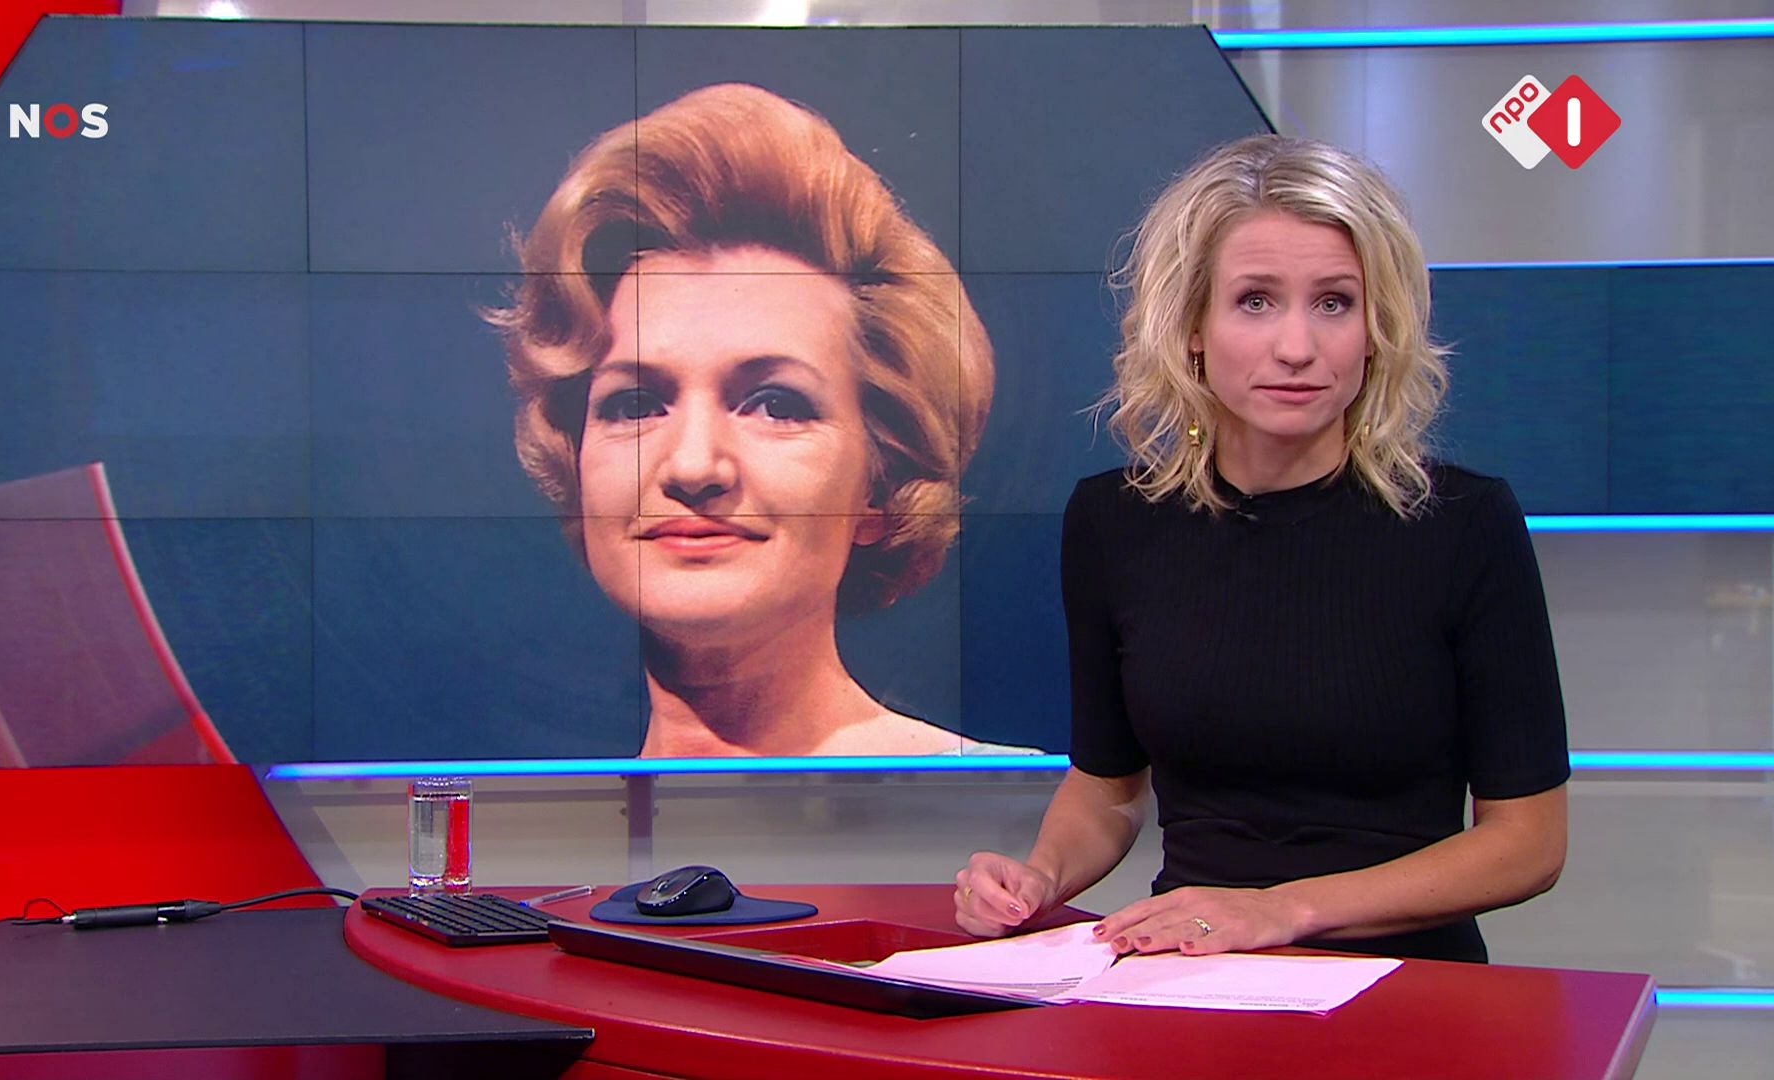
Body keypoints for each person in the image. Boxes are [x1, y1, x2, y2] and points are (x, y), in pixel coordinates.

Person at [953, 134, 1569, 963]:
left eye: (1334, 303)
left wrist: (1282, 911)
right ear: (1191, 327)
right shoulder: (1114, 521)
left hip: (1405, 982)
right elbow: (1108, 788)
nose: (1297, 347)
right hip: (1186, 973)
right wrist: (1039, 876)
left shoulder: (1464, 523)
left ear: (1376, 330)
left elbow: (1529, 842)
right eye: (1255, 302)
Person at [494, 83, 1010, 758]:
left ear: (879, 487)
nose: (693, 466)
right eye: (635, 405)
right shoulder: (510, 815)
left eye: (776, 405)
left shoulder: (1004, 806)